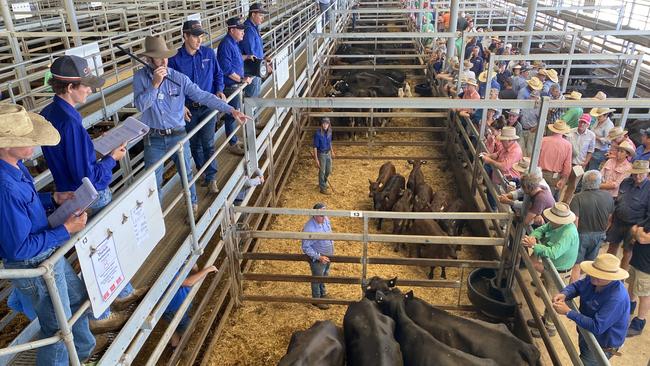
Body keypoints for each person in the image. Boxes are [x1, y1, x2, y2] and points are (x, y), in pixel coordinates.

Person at [40, 55, 143, 322]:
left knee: (97, 249)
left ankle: (121, 293)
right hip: (89, 195)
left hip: (67, 192)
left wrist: (89, 146)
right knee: (104, 249)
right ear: (70, 88)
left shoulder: (50, 113)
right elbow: (86, 175)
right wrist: (111, 158)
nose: (90, 89)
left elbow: (71, 159)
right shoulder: (71, 123)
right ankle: (106, 309)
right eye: (85, 85)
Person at [0, 104, 95, 365]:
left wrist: (52, 197)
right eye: (28, 140)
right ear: (6, 145)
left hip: (46, 253)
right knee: (57, 328)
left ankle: (83, 354)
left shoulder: (15, 166)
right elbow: (18, 250)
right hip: (33, 263)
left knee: (75, 300)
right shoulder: (4, 186)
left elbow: (24, 202)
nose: (35, 144)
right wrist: (65, 230)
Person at [133, 36, 249, 214]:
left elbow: (202, 95)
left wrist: (230, 110)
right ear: (149, 59)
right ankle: (156, 216)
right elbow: (141, 105)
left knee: (187, 175)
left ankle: (192, 205)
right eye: (159, 58)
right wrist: (155, 85)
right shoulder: (140, 78)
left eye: (166, 57)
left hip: (178, 135)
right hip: (153, 138)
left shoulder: (178, 78)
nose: (165, 61)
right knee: (153, 182)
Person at [168, 20, 226, 194]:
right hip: (188, 109)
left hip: (207, 105)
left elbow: (218, 74)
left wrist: (219, 90)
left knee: (208, 142)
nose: (199, 40)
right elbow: (170, 86)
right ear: (185, 36)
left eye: (201, 36)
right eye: (195, 36)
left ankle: (211, 178)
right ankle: (202, 170)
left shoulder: (208, 53)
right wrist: (179, 104)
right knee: (194, 144)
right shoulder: (174, 60)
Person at [552, 254, 630, 365]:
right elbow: (577, 286)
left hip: (601, 345)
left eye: (599, 275)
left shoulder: (617, 298)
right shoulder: (594, 278)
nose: (593, 275)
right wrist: (565, 294)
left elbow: (597, 326)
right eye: (593, 272)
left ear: (611, 278)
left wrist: (568, 312)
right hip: (587, 332)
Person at [523, 202, 579, 337]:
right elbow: (543, 229)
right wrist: (534, 236)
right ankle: (544, 320)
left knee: (553, 299)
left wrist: (535, 246)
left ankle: (550, 327)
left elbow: (554, 252)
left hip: (559, 271)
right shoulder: (555, 224)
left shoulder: (568, 233)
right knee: (547, 294)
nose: (550, 221)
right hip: (553, 266)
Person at [217, 17, 254, 156]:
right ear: (232, 30)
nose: (243, 33)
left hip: (234, 85)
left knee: (234, 113)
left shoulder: (233, 43)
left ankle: (233, 140)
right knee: (231, 115)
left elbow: (236, 59)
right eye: (240, 30)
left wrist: (247, 56)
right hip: (230, 85)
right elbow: (226, 69)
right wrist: (241, 79)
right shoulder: (226, 44)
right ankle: (232, 143)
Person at [569, 170, 614, 283]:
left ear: (584, 182)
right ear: (599, 182)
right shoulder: (608, 196)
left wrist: (572, 240)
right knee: (590, 265)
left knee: (576, 266)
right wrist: (604, 231)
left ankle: (569, 297)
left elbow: (575, 222)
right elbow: (610, 218)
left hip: (581, 235)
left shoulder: (578, 198)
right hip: (599, 234)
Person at [606, 160, 650, 271]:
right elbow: (618, 200)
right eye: (635, 173)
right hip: (618, 221)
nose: (638, 176)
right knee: (612, 246)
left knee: (627, 252)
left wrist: (638, 228)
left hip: (633, 225)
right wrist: (612, 216)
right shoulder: (626, 182)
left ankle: (621, 279)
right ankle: (606, 270)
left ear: (647, 173)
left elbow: (648, 215)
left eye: (641, 173)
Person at [163, 264, 218, 348]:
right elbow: (188, 282)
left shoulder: (176, 262)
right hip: (175, 308)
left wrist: (192, 263)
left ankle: (174, 344)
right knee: (189, 330)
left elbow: (195, 269)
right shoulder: (168, 271)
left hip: (171, 307)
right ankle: (180, 350)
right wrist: (208, 269)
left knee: (174, 328)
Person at [301, 202, 334, 310]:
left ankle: (323, 294)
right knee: (317, 277)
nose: (324, 217)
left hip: (328, 255)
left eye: (325, 214)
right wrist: (318, 257)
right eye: (321, 215)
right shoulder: (309, 228)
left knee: (324, 275)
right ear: (314, 215)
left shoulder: (326, 219)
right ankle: (317, 299)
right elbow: (306, 247)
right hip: (319, 257)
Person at [240, 3, 271, 98]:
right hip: (252, 70)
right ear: (253, 15)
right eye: (260, 15)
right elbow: (251, 54)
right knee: (252, 99)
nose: (262, 18)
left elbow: (256, 50)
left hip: (255, 68)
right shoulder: (248, 30)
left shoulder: (254, 28)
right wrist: (264, 65)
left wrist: (264, 59)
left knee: (255, 96)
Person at [538, 120, 573, 199]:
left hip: (539, 172)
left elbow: (535, 157)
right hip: (554, 176)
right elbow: (567, 166)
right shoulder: (568, 145)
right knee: (549, 200)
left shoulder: (543, 140)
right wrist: (563, 179)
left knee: (536, 198)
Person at [628, 223, 650, 337]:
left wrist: (638, 231)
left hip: (647, 268)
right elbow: (633, 228)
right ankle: (628, 309)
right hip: (637, 260)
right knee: (631, 286)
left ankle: (639, 323)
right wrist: (638, 231)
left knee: (644, 295)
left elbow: (642, 238)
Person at [313, 118, 335, 195]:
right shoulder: (318, 134)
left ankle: (323, 183)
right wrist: (316, 159)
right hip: (321, 154)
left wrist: (332, 151)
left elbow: (330, 142)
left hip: (328, 153)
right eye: (324, 123)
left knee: (328, 170)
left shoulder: (329, 132)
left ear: (329, 125)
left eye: (327, 124)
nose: (325, 125)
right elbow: (315, 147)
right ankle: (322, 188)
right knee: (322, 171)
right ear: (321, 124)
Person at [519, 90, 541, 156]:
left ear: (537, 98)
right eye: (531, 96)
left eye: (534, 97)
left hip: (532, 131)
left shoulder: (538, 107)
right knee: (521, 149)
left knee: (530, 150)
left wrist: (534, 128)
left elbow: (542, 121)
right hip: (522, 129)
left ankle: (528, 164)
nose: (532, 98)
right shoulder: (525, 104)